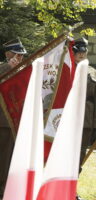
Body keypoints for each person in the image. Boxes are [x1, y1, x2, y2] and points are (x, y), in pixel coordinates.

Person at [72, 37, 96, 200]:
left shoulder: (93, 72)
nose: (81, 55)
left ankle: (73, 189)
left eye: (84, 52)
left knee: (80, 155)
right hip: (67, 119)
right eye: (78, 52)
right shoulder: (66, 68)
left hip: (86, 120)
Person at [0, 38, 27, 198]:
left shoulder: (23, 72)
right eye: (16, 55)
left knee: (9, 160)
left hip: (16, 123)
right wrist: (6, 67)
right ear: (7, 54)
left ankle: (4, 191)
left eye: (21, 56)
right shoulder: (3, 68)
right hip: (2, 120)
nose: (19, 58)